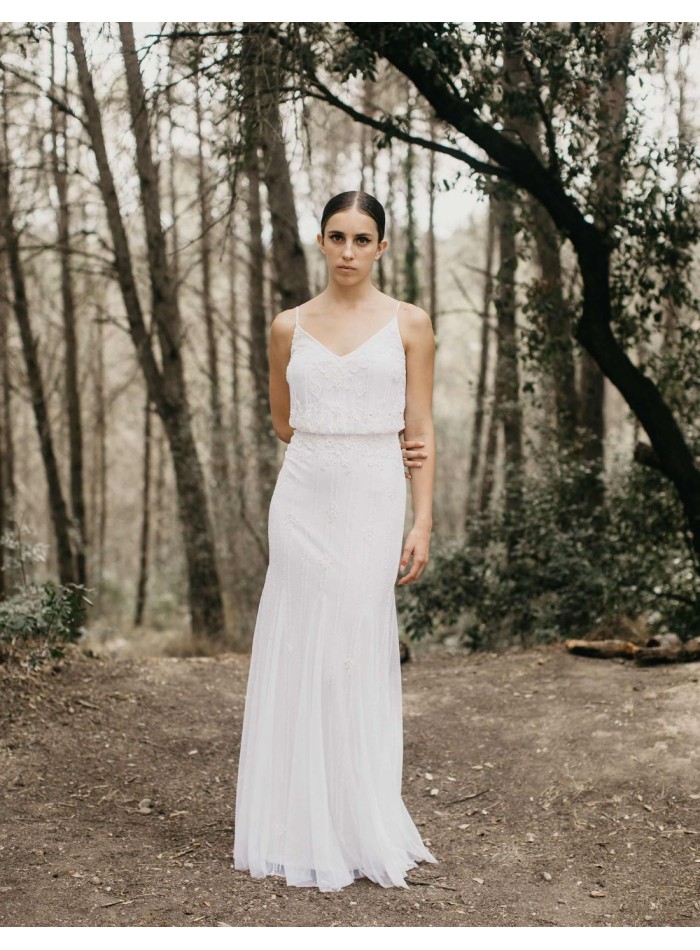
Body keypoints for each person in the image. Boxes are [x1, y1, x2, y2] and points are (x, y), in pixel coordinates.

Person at [232, 190, 437, 892]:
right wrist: (332, 440)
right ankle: (295, 820)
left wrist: (422, 519)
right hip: (306, 494)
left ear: (382, 247)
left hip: (375, 494)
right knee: (302, 646)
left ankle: (357, 818)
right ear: (320, 242)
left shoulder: (410, 324)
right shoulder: (287, 327)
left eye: (362, 238)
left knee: (354, 644)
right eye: (336, 237)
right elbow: (283, 422)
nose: (348, 251)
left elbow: (420, 431)